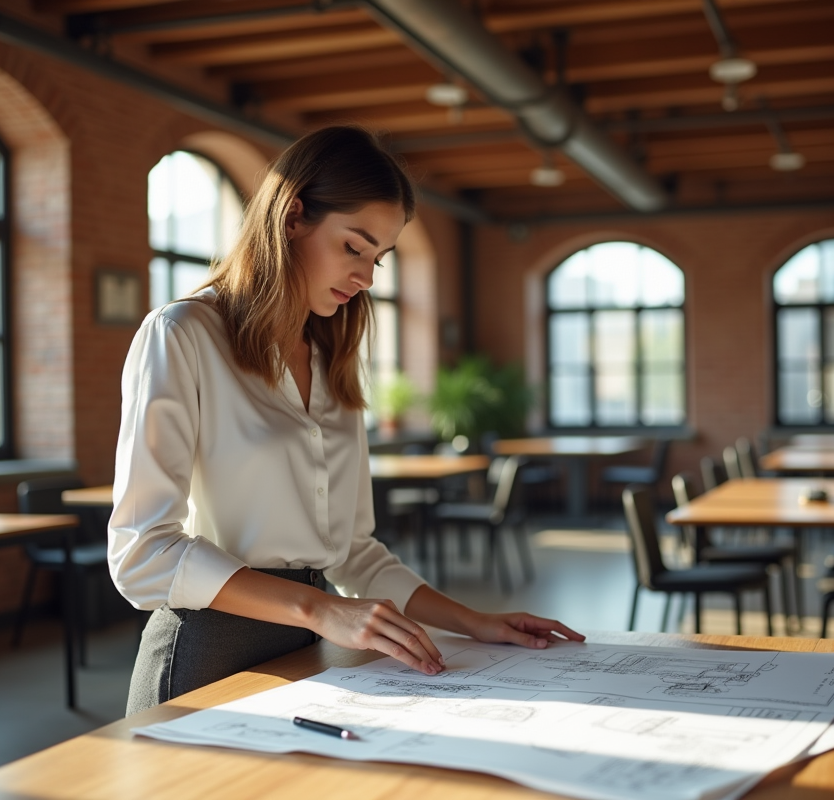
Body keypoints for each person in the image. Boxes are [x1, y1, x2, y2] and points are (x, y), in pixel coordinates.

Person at [109, 125, 583, 715]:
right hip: (208, 648)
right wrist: (321, 609)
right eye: (353, 247)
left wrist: (472, 622)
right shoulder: (182, 335)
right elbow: (142, 553)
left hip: (311, 648)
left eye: (378, 258)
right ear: (291, 216)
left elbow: (353, 553)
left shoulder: (331, 356)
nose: (366, 279)